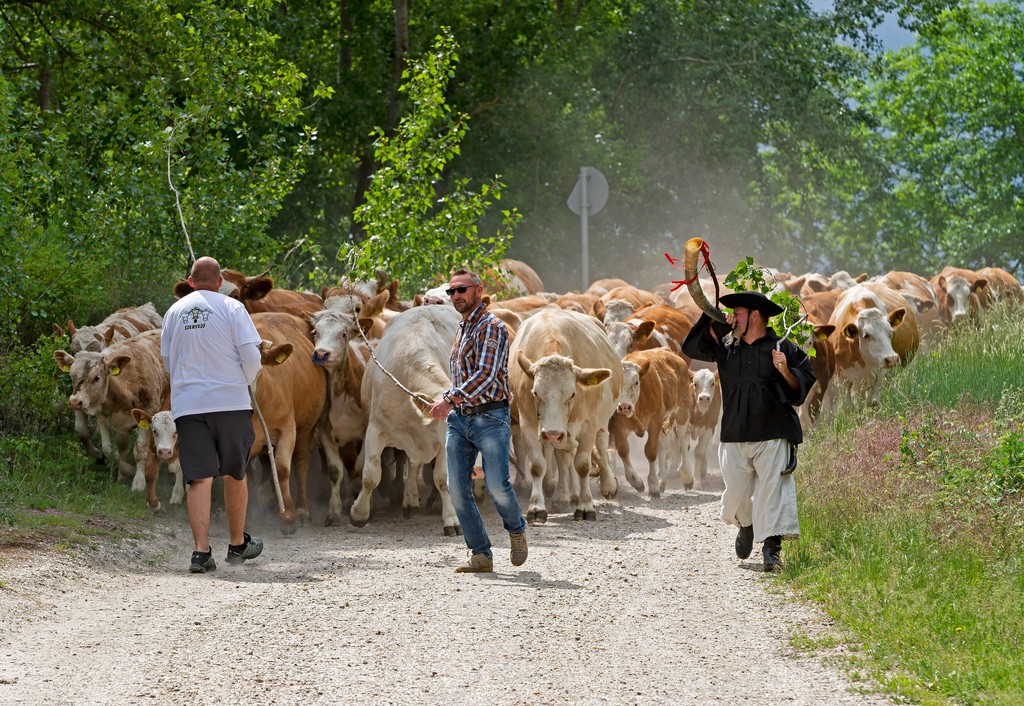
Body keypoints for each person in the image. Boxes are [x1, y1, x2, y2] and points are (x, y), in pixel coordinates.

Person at [680, 290, 815, 572]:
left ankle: (771, 551)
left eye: (738, 313)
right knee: (735, 495)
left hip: (774, 432)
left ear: (755, 316)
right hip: (734, 433)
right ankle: (746, 523)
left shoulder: (783, 347)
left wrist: (785, 370)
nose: (733, 317)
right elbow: (690, 348)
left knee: (772, 490)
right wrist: (710, 315)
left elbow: (800, 388)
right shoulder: (727, 345)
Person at [161, 256, 265, 573]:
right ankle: (236, 544)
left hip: (189, 406)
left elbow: (167, 360)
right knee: (234, 472)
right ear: (220, 282)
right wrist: (244, 381)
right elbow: (251, 355)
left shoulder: (173, 312)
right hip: (230, 403)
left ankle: (200, 553)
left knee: (198, 477)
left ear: (189, 282)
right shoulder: (233, 309)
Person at [429, 268, 528, 573]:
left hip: (491, 417)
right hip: (461, 420)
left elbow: (485, 376)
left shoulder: (492, 327)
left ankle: (516, 529)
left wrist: (449, 398)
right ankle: (481, 554)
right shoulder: (462, 329)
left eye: (461, 290)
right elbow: (464, 377)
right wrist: (449, 396)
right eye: (451, 291)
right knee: (457, 488)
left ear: (478, 290)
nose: (455, 296)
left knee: (498, 485)